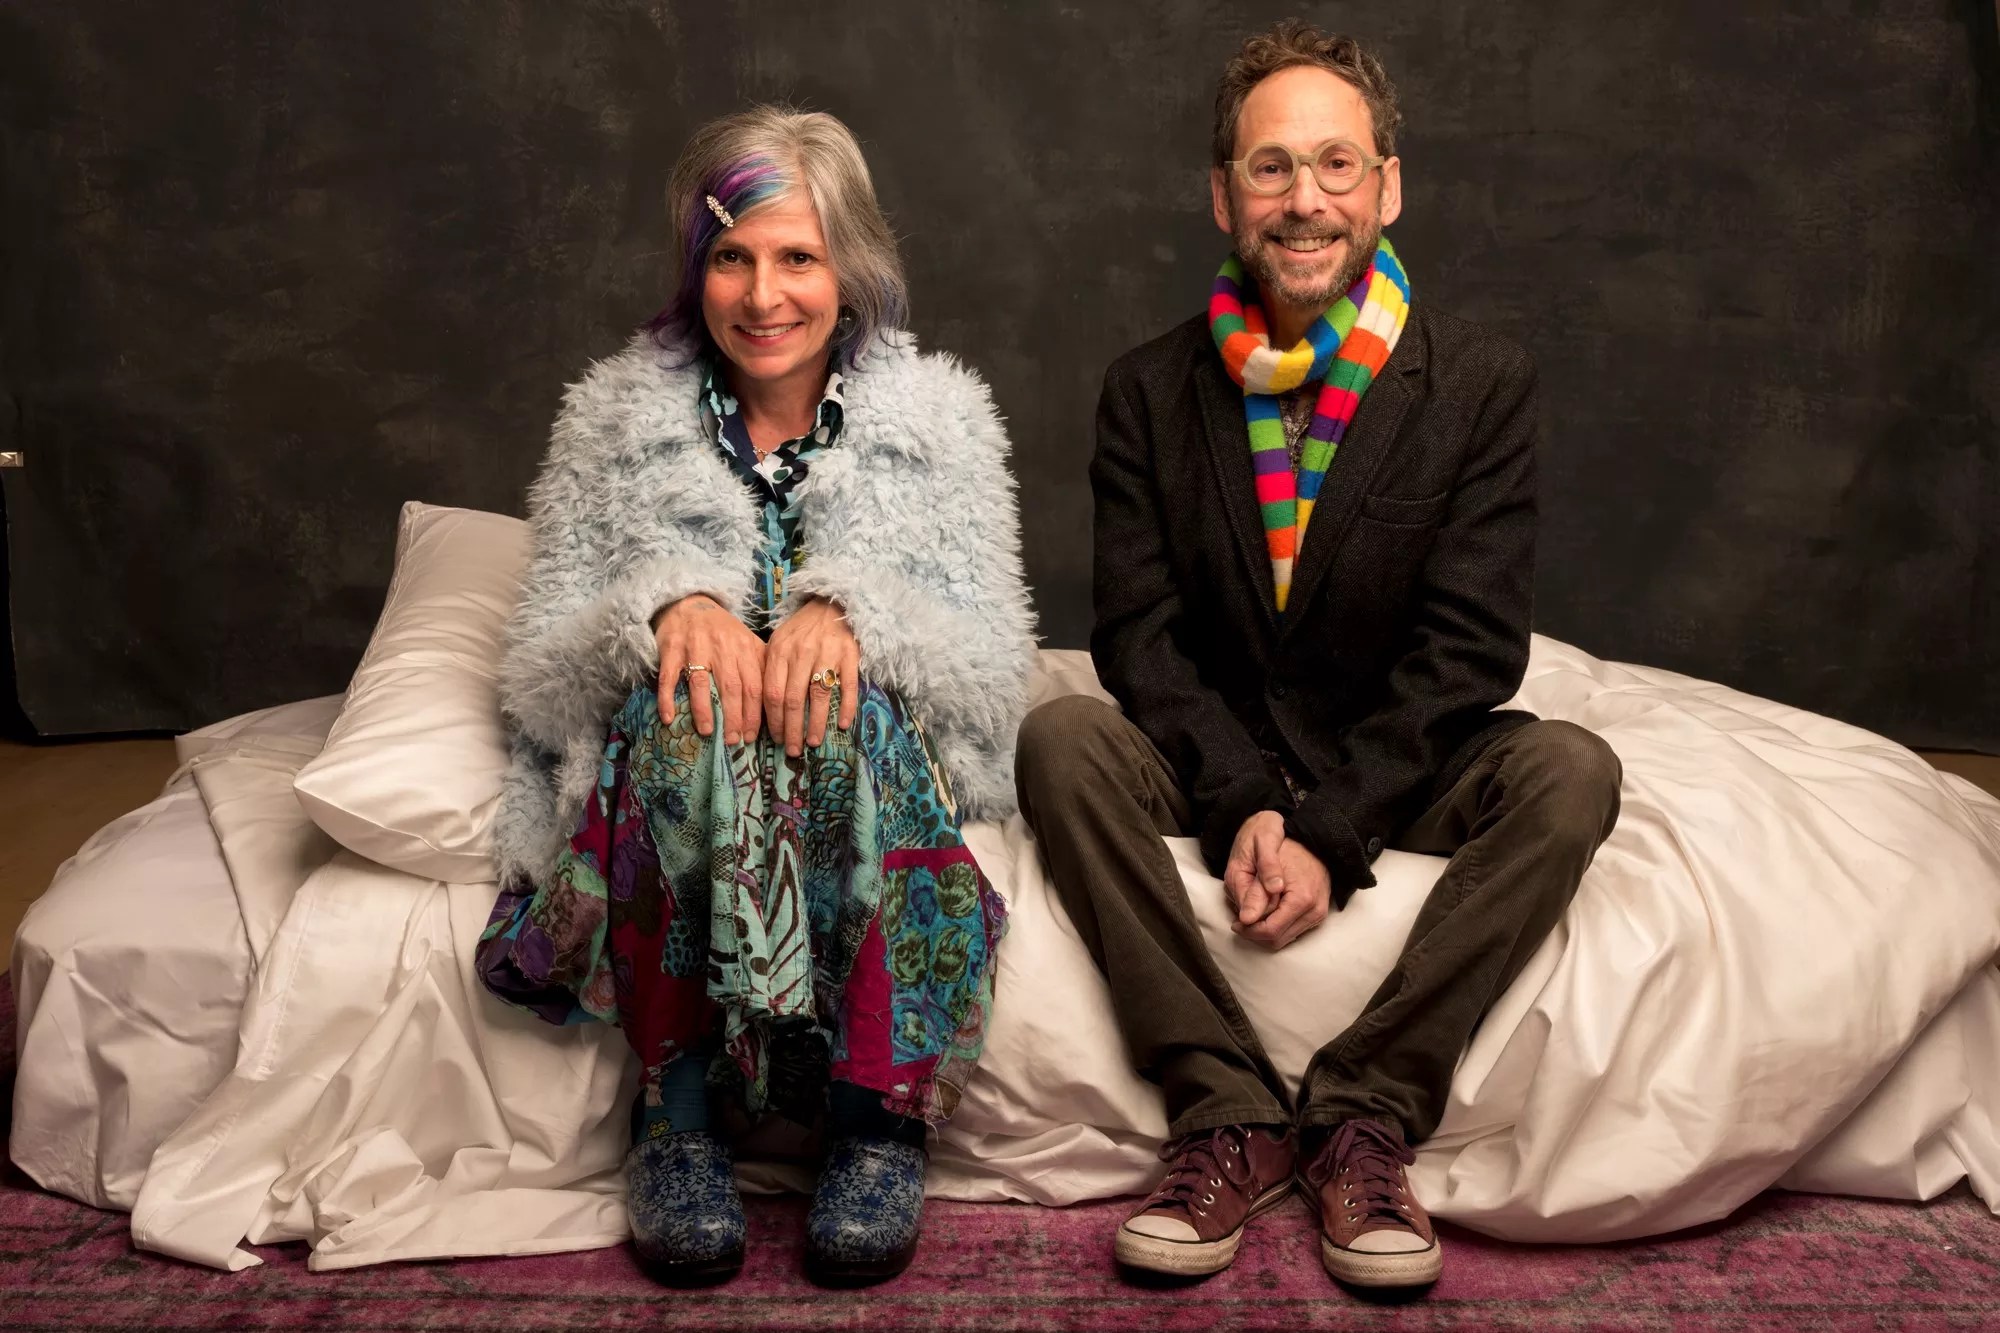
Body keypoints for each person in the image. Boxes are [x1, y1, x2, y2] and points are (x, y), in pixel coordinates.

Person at [1014, 22, 1623, 1293]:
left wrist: (1330, 829)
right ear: (1222, 195)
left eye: (1336, 164)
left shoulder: (1479, 383)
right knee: (1059, 737)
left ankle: (1363, 1113)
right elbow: (1137, 636)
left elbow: (1470, 647)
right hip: (1212, 747)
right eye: (1271, 167)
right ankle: (1224, 1108)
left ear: (1386, 186)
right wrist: (1240, 798)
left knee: (1570, 771)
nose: (1305, 199)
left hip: (1399, 757)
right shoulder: (1145, 390)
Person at [477, 105, 1034, 1288]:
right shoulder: (612, 420)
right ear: (695, 267)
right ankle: (676, 1119)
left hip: (868, 761)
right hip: (676, 762)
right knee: (692, 705)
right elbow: (535, 675)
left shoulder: (940, 424)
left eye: (798, 257)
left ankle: (877, 1121)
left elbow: (994, 670)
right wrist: (659, 609)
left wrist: (857, 612)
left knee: (847, 708)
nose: (763, 294)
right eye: (731, 256)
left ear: (850, 268)